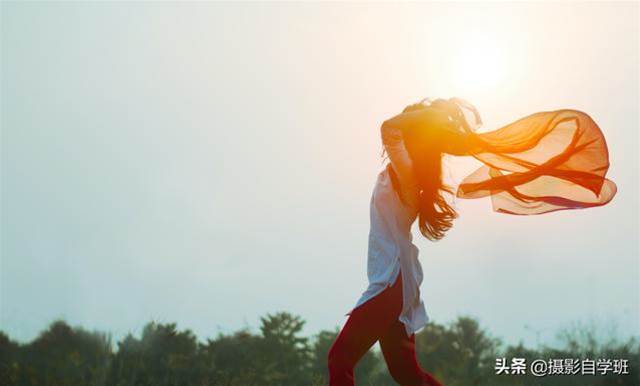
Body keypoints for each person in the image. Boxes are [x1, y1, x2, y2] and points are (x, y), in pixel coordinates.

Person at [326, 97, 617, 386]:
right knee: (407, 375)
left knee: (340, 359)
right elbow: (395, 130)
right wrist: (429, 119)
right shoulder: (409, 172)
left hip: (391, 281)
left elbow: (389, 129)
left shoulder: (407, 171)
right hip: (396, 281)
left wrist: (427, 119)